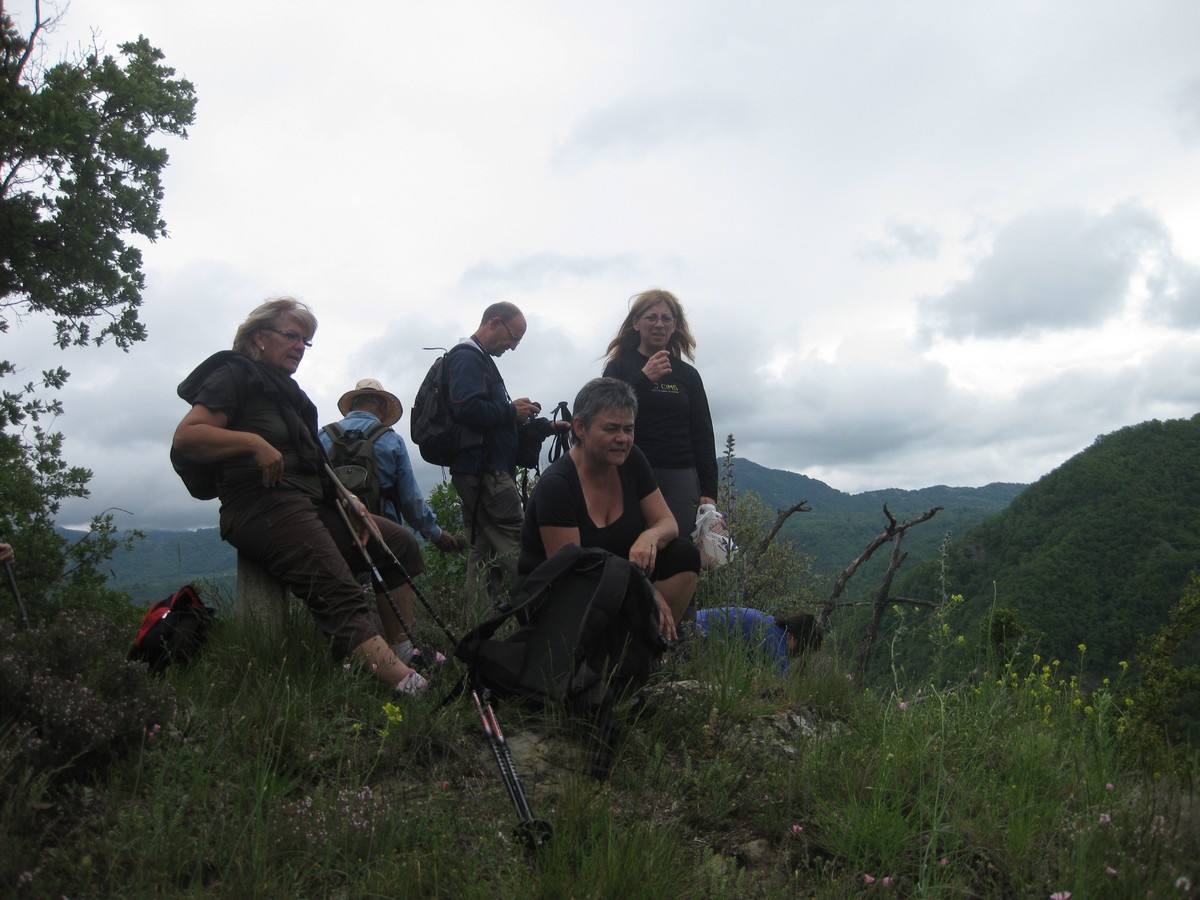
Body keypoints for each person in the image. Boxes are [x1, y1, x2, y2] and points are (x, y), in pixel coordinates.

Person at [171, 297, 429, 693]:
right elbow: (187, 436)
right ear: (259, 337)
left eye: (305, 342)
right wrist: (253, 443)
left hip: (310, 502)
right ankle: (410, 687)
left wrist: (348, 499)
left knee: (398, 543)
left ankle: (404, 650)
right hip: (262, 504)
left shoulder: (290, 395)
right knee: (337, 588)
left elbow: (314, 462)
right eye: (292, 336)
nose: (299, 347)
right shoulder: (234, 374)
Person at [517, 377, 702, 639]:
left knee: (683, 554)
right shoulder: (557, 486)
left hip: (615, 581)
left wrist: (650, 536)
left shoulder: (632, 460)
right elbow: (571, 574)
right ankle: (613, 649)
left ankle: (653, 644)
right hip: (557, 596)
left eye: (629, 429)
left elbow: (667, 524)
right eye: (611, 428)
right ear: (580, 428)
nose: (622, 438)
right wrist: (645, 589)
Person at [446, 301, 567, 604]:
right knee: (517, 543)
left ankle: (480, 620)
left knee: (483, 548)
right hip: (488, 474)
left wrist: (545, 426)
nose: (513, 346)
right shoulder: (468, 358)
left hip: (476, 471)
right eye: (513, 337)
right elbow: (466, 408)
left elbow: (491, 421)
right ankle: (550, 606)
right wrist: (511, 410)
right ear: (494, 322)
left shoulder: (477, 359)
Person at [602, 288, 718, 540]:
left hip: (679, 473)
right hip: (628, 470)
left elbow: (703, 433)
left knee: (678, 547)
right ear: (636, 323)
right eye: (651, 317)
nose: (659, 324)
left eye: (666, 318)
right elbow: (604, 412)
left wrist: (709, 491)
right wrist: (644, 378)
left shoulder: (688, 375)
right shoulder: (619, 367)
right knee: (627, 544)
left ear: (674, 326)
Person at [320, 378, 460, 549]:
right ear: (382, 407)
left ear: (351, 407)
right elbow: (410, 500)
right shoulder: (391, 440)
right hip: (382, 534)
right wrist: (436, 533)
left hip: (331, 533)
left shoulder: (323, 436)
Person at [693, 608, 823, 672]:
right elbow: (783, 682)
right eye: (801, 650)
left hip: (694, 622)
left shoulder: (771, 625)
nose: (796, 655)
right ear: (795, 637)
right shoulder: (775, 639)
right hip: (698, 631)